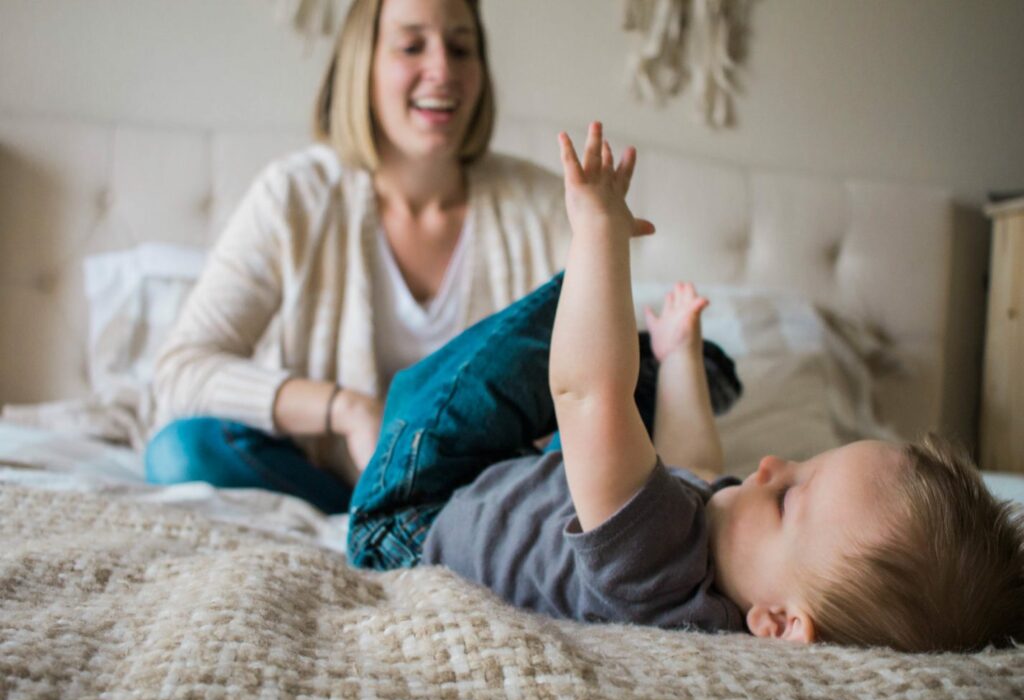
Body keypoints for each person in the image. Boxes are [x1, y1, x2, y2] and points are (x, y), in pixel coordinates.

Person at [346, 122, 1024, 652]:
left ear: (782, 621)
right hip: (507, 481)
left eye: (790, 496)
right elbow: (691, 456)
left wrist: (599, 236)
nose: (771, 464)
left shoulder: (656, 566)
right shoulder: (715, 575)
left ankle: (361, 432)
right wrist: (680, 356)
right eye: (807, 461)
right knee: (634, 401)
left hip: (412, 520)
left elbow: (587, 391)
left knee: (538, 345)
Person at [144, 0, 573, 513]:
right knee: (180, 452)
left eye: (461, 48)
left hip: (483, 493)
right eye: (412, 45)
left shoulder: (547, 206)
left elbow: (602, 384)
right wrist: (345, 410)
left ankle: (456, 531)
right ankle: (384, 527)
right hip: (328, 483)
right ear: (361, 64)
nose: (443, 70)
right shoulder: (294, 196)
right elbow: (181, 371)